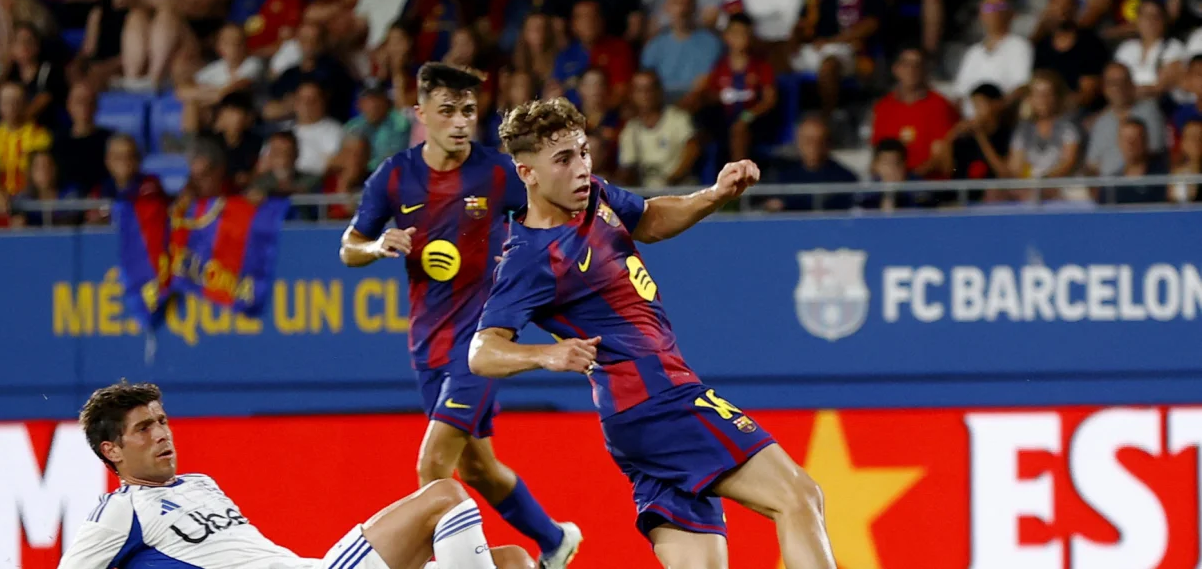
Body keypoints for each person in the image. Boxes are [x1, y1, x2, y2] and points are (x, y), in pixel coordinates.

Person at [471, 98, 837, 569]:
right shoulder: (529, 255)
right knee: (799, 498)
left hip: (634, 420)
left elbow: (648, 219)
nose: (581, 167)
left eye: (583, 151)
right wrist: (544, 355)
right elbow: (482, 351)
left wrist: (714, 195)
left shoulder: (595, 198)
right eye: (563, 160)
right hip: (661, 400)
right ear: (527, 174)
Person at [338, 63, 582, 569]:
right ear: (421, 113)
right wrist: (379, 245)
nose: (459, 121)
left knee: (434, 467)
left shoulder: (497, 173)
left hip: (479, 345)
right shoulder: (394, 176)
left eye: (469, 111)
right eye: (447, 110)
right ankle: (555, 539)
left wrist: (523, 251)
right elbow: (349, 247)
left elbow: (556, 212)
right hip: (427, 344)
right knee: (478, 466)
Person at [57, 380, 535, 569]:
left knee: (512, 561)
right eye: (144, 428)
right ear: (111, 450)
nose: (162, 433)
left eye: (162, 420)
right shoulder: (120, 512)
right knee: (444, 495)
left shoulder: (200, 484)